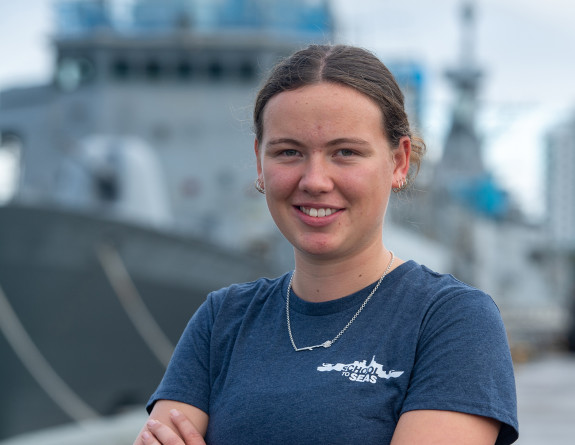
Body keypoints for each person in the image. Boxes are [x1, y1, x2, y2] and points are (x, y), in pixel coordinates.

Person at [133, 44, 518, 445]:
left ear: (399, 162)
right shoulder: (222, 320)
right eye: (289, 152)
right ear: (259, 162)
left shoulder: (452, 321)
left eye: (345, 152)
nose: (315, 180)